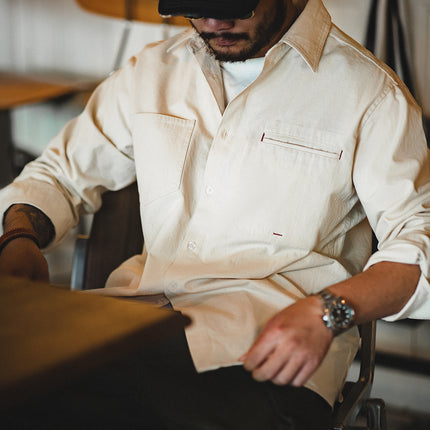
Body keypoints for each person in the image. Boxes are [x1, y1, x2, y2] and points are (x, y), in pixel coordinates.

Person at [1, 0, 429, 428]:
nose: (211, 22)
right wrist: (19, 237)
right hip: (132, 330)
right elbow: (58, 174)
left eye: (231, 5)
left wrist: (328, 312)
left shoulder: (371, 95)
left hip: (266, 354)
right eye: (193, 6)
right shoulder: (150, 73)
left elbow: (419, 242)